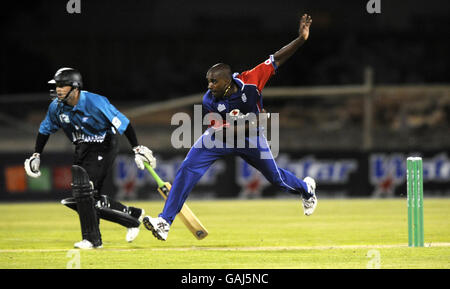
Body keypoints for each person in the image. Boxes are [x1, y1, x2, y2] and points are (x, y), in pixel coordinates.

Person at [143, 14, 317, 241]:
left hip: (252, 138)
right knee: (187, 169)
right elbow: (222, 132)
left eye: (213, 81)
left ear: (227, 81)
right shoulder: (209, 100)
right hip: (222, 137)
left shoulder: (251, 80)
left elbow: (277, 59)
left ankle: (307, 190)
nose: (209, 85)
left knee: (277, 179)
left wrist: (301, 40)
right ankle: (165, 222)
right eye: (208, 81)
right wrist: (253, 122)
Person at [24, 67, 156, 249]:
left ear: (75, 87)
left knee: (85, 191)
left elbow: (123, 123)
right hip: (82, 148)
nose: (58, 89)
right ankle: (133, 215)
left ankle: (93, 240)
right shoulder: (56, 107)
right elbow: (45, 130)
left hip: (105, 145)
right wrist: (36, 155)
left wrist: (137, 148)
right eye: (57, 85)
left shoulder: (96, 102)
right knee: (88, 197)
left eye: (62, 85)